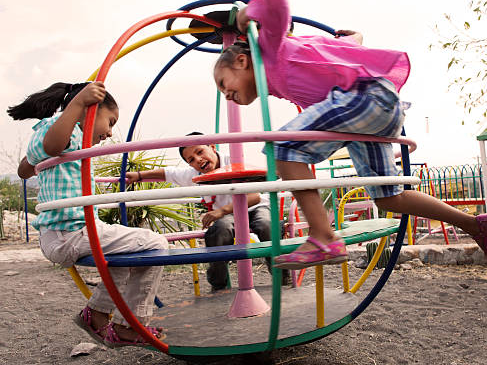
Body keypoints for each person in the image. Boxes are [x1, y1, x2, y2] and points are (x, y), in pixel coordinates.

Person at [212, 0, 487, 269]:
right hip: (375, 109)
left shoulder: (270, 49)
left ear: (241, 60)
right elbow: (335, 54)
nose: (226, 95)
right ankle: (474, 224)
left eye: (224, 84)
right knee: (389, 197)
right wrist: (357, 40)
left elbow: (277, 3)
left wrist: (247, 16)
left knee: (284, 148)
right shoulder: (282, 77)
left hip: (366, 99)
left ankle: (323, 237)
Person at [7, 81, 168, 347]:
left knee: (123, 256)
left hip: (66, 232)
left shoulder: (65, 142)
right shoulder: (60, 132)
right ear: (91, 110)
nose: (110, 131)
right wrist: (79, 103)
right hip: (69, 233)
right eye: (111, 121)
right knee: (156, 243)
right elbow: (52, 144)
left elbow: (25, 170)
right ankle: (129, 325)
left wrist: (36, 158)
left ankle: (96, 314)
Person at [125, 132, 290, 290]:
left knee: (266, 224)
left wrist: (221, 211)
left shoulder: (234, 160)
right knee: (219, 230)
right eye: (191, 159)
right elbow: (167, 173)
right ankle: (219, 282)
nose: (198, 160)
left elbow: (254, 197)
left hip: (255, 206)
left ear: (212, 146)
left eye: (200, 152)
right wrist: (139, 175)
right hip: (228, 215)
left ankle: (281, 274)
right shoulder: (194, 175)